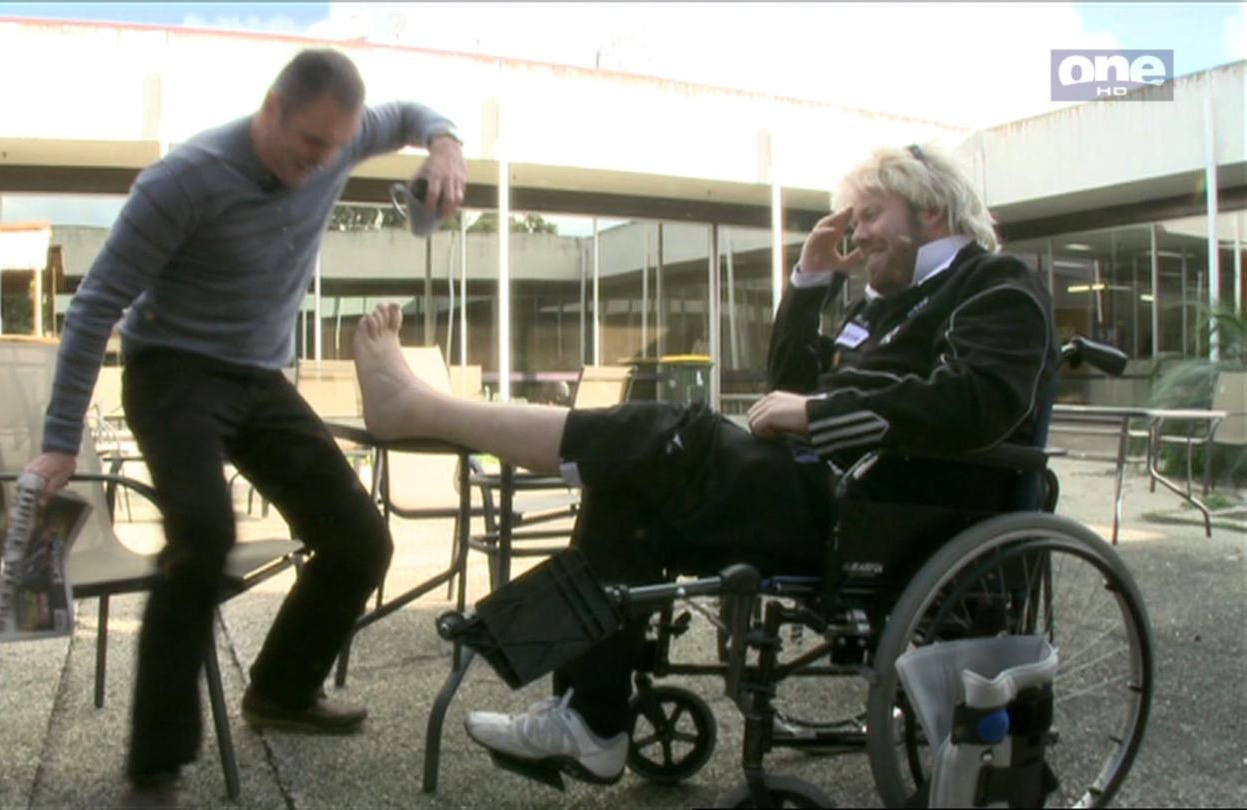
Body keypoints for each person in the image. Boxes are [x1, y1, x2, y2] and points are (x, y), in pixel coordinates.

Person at [350, 142, 1055, 785]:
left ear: (930, 210)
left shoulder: (996, 283)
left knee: (670, 434)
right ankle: (592, 723)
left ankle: (427, 412)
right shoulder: (892, 304)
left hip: (881, 512)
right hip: (826, 493)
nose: (858, 233)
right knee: (628, 483)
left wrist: (818, 414)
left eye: (871, 215)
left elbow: (979, 401)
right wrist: (809, 280)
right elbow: (791, 384)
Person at [22, 49, 466, 801]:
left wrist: (446, 144)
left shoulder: (342, 139)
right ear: (271, 109)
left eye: (336, 148)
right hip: (173, 372)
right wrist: (61, 440)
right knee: (203, 537)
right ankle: (156, 763)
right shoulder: (184, 180)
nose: (320, 162)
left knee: (360, 539)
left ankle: (282, 691)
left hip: (259, 379)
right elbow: (95, 306)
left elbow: (410, 116)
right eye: (309, 144)